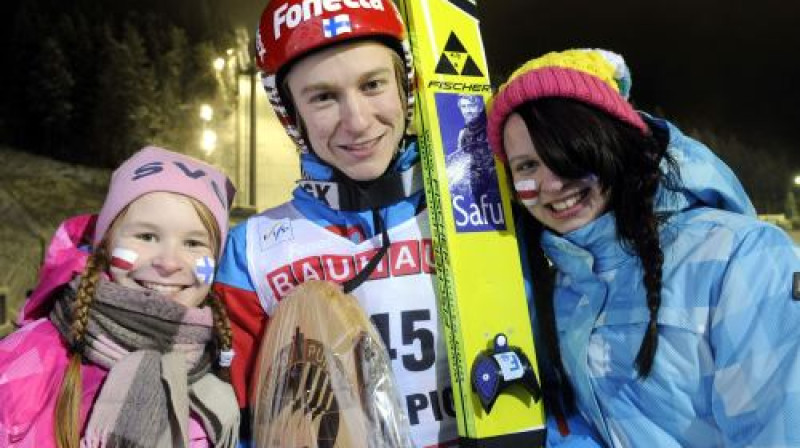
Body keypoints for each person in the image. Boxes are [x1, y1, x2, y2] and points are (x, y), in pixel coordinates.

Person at [486, 48, 800, 447]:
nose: (551, 184)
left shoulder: (741, 258)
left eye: (568, 153)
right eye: (527, 166)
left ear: (613, 143)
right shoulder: (560, 285)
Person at [213, 0, 460, 445]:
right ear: (291, 115)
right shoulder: (251, 253)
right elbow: (236, 426)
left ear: (405, 86)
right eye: (324, 97)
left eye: (372, 84)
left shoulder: (478, 215)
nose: (358, 121)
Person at [0, 146, 240, 448]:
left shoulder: (216, 375)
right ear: (106, 243)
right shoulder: (29, 355)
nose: (168, 263)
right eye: (146, 236)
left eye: (193, 243)